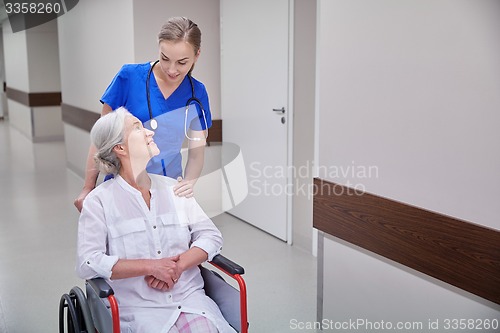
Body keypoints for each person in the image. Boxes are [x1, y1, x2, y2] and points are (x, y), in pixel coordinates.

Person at [76, 108, 235, 333]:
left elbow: (210, 235)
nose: (149, 132)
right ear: (120, 148)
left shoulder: (174, 189)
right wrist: (151, 267)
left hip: (190, 302)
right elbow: (87, 262)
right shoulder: (99, 202)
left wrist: (178, 266)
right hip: (140, 311)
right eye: (138, 128)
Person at [74, 17, 211, 212]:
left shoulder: (198, 94)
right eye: (165, 58)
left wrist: (189, 183)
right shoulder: (129, 77)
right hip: (121, 187)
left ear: (197, 55)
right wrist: (88, 187)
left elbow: (197, 153)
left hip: (167, 188)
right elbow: (101, 139)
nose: (172, 69)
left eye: (182, 62)